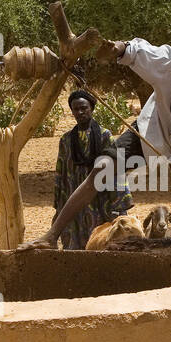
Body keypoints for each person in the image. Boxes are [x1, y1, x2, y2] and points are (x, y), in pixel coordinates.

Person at [23, 41, 171, 258]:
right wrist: (116, 48)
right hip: (152, 129)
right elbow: (138, 51)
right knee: (102, 168)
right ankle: (51, 237)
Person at [52, 89, 133, 249]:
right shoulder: (66, 140)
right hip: (73, 195)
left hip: (100, 198)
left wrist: (119, 205)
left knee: (101, 241)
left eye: (84, 108)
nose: (80, 112)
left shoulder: (105, 136)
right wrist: (59, 205)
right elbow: (61, 172)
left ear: (92, 108)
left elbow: (116, 171)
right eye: (76, 109)